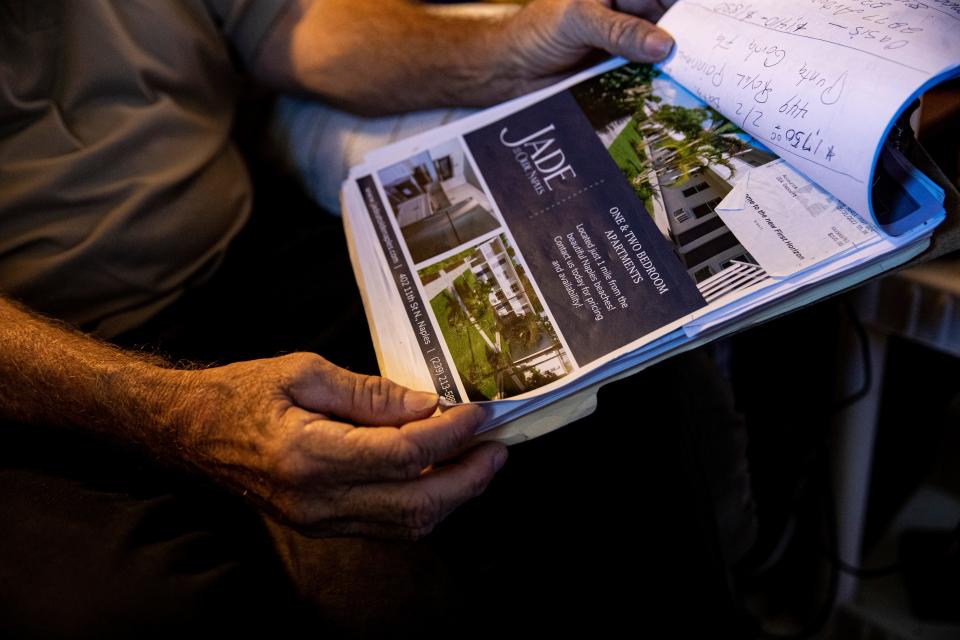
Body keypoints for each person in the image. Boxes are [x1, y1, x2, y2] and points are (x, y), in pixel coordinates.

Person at [0, 0, 755, 636]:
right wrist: (177, 415)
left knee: (614, 390)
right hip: (36, 371)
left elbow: (288, 25)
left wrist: (503, 46)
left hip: (244, 253)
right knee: (149, 612)